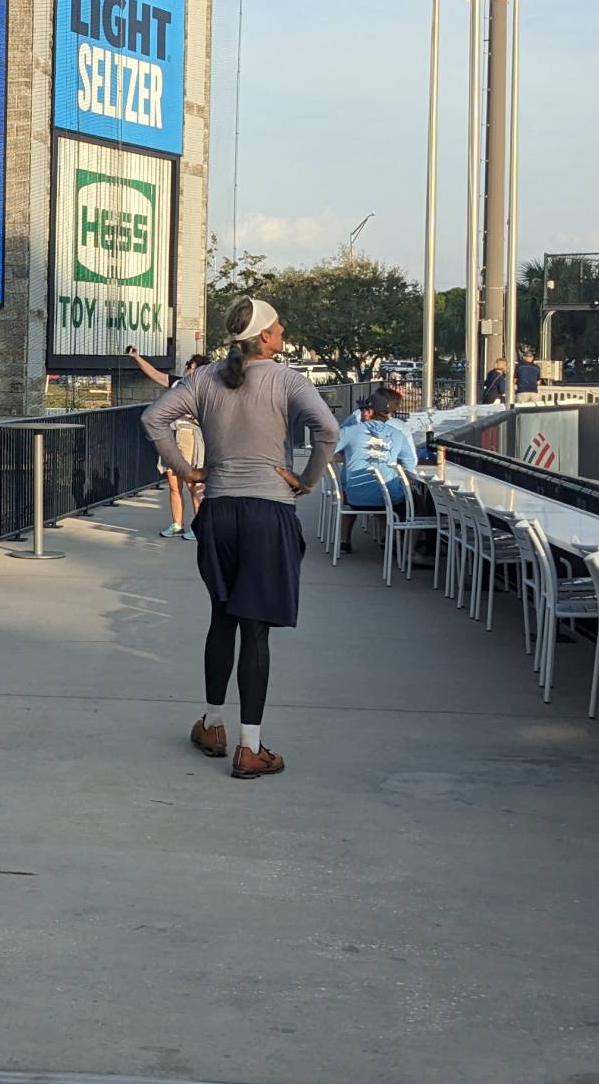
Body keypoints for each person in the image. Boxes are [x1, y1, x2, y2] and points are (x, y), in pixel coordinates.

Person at [141, 297, 336, 781]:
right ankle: (251, 747)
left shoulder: (204, 378)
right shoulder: (288, 380)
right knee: (256, 630)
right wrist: (306, 479)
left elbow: (153, 420)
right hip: (269, 511)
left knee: (221, 618)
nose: (283, 331)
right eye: (279, 327)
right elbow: (327, 429)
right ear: (265, 337)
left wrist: (187, 471)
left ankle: (211, 724)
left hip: (220, 510)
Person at [128, 344, 210, 538]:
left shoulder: (205, 391)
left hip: (188, 434)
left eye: (190, 365)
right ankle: (176, 524)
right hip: (170, 433)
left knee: (193, 483)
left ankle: (199, 527)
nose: (187, 367)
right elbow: (155, 374)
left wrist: (196, 419)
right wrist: (137, 358)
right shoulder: (178, 384)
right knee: (173, 483)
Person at [333, 389, 421, 548]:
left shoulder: (350, 432)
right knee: (416, 504)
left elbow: (326, 451)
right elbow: (410, 465)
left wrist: (349, 457)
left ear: (368, 412)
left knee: (366, 490)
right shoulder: (398, 434)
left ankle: (349, 540)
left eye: (363, 409)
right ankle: (406, 549)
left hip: (354, 498)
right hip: (387, 500)